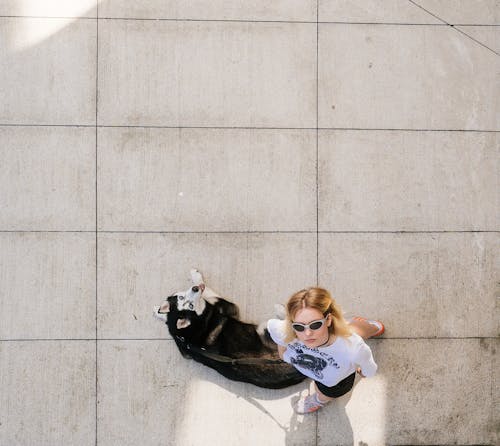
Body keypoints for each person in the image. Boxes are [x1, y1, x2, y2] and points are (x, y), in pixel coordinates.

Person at [267, 287, 384, 414]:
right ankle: (360, 325)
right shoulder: (281, 329)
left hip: (337, 381)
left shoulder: (353, 348)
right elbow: (281, 340)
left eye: (315, 324)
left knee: (325, 391)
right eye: (299, 326)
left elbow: (370, 369)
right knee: (350, 330)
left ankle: (319, 400)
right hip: (316, 369)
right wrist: (285, 354)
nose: (307, 333)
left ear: (328, 320)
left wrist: (365, 371)